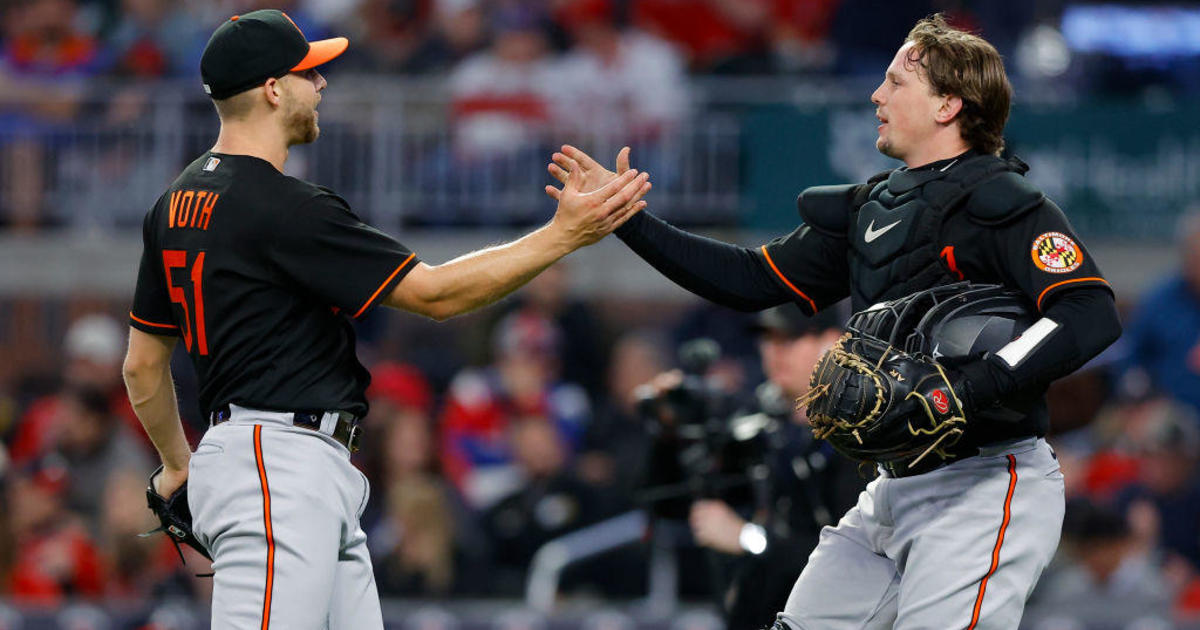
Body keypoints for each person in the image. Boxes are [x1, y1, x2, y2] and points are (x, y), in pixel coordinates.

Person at [546, 14, 1122, 629]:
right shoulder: (872, 209)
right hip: (890, 487)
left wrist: (971, 386)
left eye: (897, 82)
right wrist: (627, 220)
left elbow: (1089, 312)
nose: (877, 95)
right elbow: (748, 280)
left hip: (987, 480)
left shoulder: (1004, 203)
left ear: (949, 104)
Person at [121, 9, 650, 629]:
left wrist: (180, 463)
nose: (320, 86)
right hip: (277, 466)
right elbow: (436, 296)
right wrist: (563, 236)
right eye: (308, 73)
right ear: (272, 89)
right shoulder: (284, 205)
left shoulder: (173, 203)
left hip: (278, 463)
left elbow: (142, 368)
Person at [688, 305, 865, 630]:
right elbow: (679, 502)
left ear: (831, 341)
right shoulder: (758, 426)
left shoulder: (859, 437)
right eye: (768, 338)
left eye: (791, 337)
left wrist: (748, 538)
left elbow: (853, 559)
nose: (775, 351)